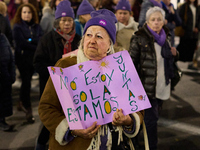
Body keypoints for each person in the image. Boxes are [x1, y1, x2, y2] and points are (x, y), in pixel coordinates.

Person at [38, 9, 144, 150]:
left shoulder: (120, 68)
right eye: (88, 35)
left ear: (109, 44)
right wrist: (72, 129)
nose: (92, 40)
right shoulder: (66, 66)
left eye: (99, 37)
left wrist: (128, 120)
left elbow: (137, 109)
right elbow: (46, 107)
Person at [33, 1, 81, 149]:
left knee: (71, 119)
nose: (66, 23)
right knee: (51, 120)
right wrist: (54, 75)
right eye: (63, 20)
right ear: (58, 22)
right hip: (52, 86)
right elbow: (38, 62)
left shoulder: (79, 40)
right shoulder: (47, 39)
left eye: (69, 20)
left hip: (73, 88)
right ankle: (40, 145)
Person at [129, 6, 178, 150]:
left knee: (149, 120)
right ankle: (150, 146)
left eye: (159, 19)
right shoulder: (139, 37)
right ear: (147, 21)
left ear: (163, 22)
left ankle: (137, 143)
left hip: (162, 85)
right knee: (151, 121)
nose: (156, 22)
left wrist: (176, 54)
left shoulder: (166, 37)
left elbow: (169, 60)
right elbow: (131, 64)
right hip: (146, 87)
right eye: (153, 20)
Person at [13, 3, 43, 124]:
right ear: (20, 14)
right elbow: (21, 43)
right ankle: (27, 107)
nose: (27, 14)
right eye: (24, 12)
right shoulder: (17, 27)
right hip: (22, 58)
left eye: (29, 12)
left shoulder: (37, 26)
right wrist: (32, 41)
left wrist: (29, 40)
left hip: (33, 58)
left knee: (28, 81)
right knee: (26, 82)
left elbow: (40, 40)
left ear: (33, 14)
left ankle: (21, 101)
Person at [176, 0, 200, 68]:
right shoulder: (184, 6)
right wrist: (188, 28)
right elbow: (180, 19)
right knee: (184, 47)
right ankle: (181, 65)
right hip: (186, 33)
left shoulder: (197, 7)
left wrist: (197, 28)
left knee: (192, 47)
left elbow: (198, 19)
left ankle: (190, 63)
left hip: (195, 33)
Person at [0, 32, 16, 131]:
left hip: (4, 74)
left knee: (4, 99)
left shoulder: (2, 37)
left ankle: (2, 120)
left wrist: (12, 73)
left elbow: (10, 56)